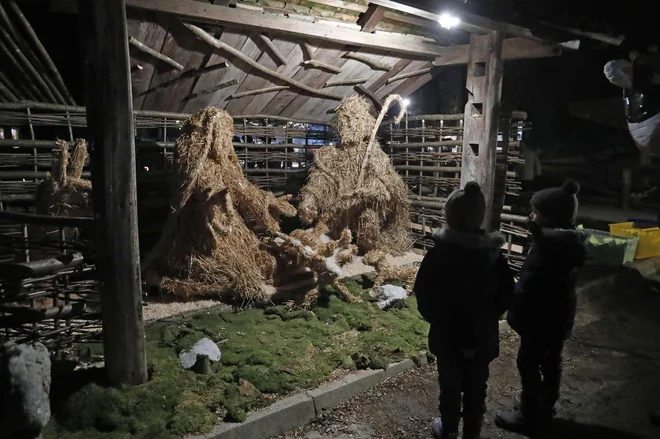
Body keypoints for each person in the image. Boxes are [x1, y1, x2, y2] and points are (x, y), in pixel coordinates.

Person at [414, 181, 515, 439]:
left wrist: (435, 318)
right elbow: (506, 295)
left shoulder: (438, 256)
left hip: (448, 337)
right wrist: (489, 317)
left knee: (449, 386)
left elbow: (423, 293)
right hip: (482, 339)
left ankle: (448, 429)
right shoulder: (495, 258)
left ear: (450, 217)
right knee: (476, 387)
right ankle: (473, 431)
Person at [495, 179, 588, 435]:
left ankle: (529, 415)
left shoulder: (550, 248)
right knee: (551, 363)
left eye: (536, 213)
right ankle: (544, 406)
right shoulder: (565, 243)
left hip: (540, 319)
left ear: (550, 218)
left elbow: (534, 284)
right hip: (557, 318)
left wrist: (515, 301)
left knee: (528, 363)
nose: (530, 216)